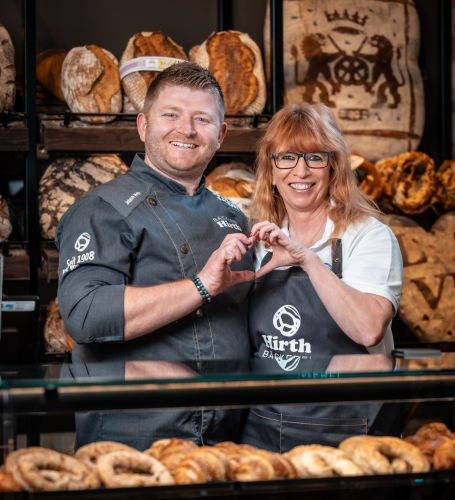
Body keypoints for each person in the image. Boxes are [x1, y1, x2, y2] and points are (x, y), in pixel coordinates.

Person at [56, 62, 255, 450]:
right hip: (133, 435)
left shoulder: (232, 217)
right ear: (143, 125)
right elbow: (85, 313)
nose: (187, 129)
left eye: (202, 118)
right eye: (171, 115)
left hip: (226, 438)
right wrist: (201, 285)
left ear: (221, 135)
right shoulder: (103, 209)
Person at [240, 103, 403, 453]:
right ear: (270, 170)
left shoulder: (368, 236)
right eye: (286, 157)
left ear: (334, 167)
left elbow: (368, 328)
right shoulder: (256, 240)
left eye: (315, 157)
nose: (301, 170)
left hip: (347, 433)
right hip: (264, 430)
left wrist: (309, 261)